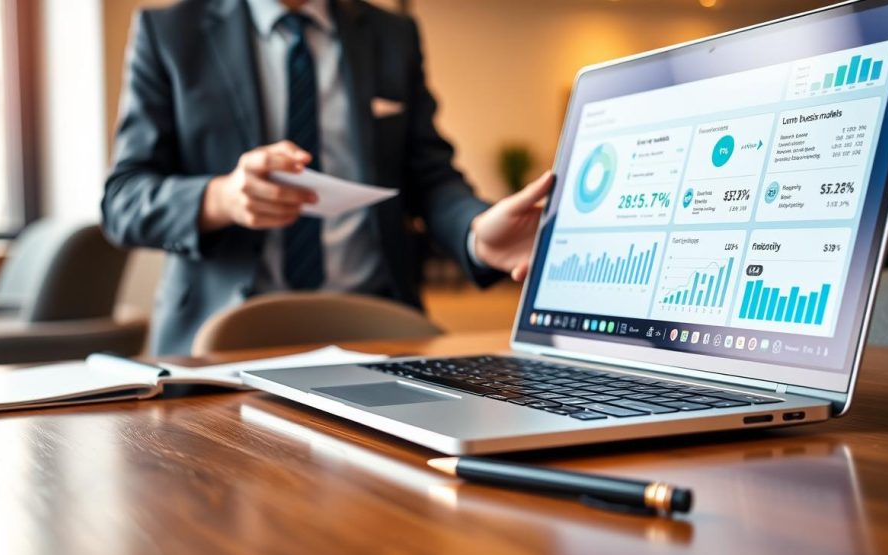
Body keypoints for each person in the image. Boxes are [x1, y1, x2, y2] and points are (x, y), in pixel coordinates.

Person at [102, 0, 551, 355]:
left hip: (376, 333)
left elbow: (429, 176)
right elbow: (123, 201)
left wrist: (475, 233)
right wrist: (220, 198)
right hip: (219, 344)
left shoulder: (392, 34)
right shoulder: (169, 32)